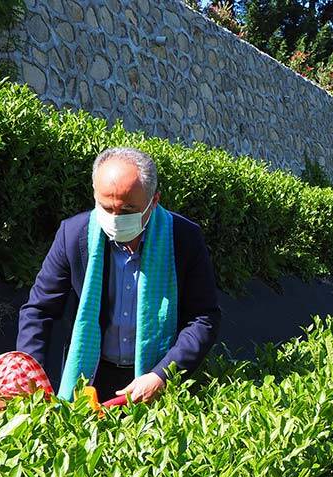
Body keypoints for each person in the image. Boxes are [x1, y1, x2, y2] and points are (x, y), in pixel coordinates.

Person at [17, 147, 221, 402]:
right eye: (106, 208)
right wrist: (30, 377)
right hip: (92, 374)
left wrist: (163, 374)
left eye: (127, 211)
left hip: (156, 376)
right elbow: (39, 309)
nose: (114, 219)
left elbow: (203, 317)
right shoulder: (73, 234)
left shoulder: (183, 238)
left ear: (154, 201)